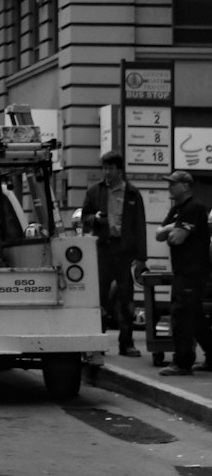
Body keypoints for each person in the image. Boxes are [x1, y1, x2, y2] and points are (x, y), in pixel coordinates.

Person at [80, 151, 147, 356]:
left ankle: (126, 343)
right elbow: (84, 216)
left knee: (126, 296)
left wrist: (142, 258)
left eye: (110, 169)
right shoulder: (95, 191)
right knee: (98, 295)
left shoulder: (133, 194)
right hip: (102, 248)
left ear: (119, 170)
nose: (106, 172)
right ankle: (96, 342)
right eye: (104, 168)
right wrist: (95, 219)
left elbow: (139, 226)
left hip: (123, 250)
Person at [156, 170, 212, 377]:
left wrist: (172, 230)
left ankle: (182, 362)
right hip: (183, 270)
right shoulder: (177, 209)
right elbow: (159, 235)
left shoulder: (194, 207)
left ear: (186, 186)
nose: (169, 187)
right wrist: (173, 227)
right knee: (195, 316)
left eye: (173, 183)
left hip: (192, 271)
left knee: (181, 314)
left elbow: (175, 239)